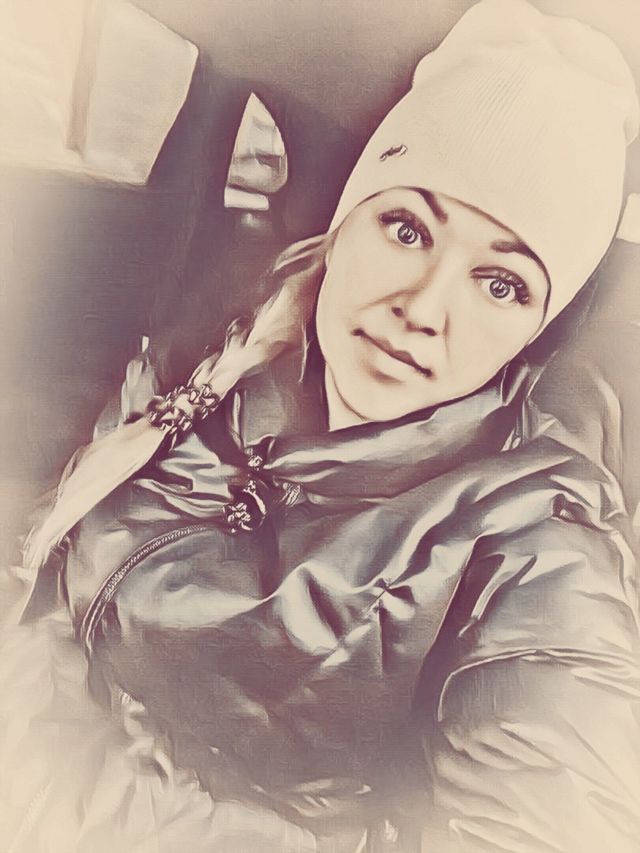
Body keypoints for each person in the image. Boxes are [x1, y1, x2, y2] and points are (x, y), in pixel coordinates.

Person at [2, 1, 640, 851]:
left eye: (501, 284)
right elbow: (44, 579)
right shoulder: (222, 354)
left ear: (536, 328)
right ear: (347, 222)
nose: (422, 308)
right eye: (407, 229)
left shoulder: (534, 547)